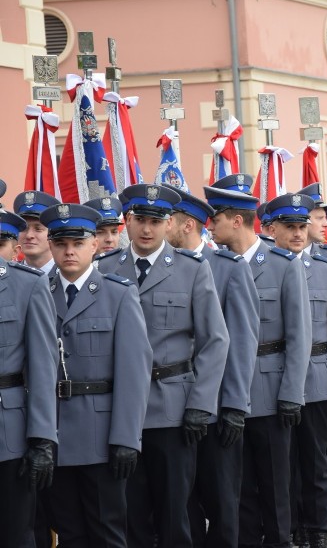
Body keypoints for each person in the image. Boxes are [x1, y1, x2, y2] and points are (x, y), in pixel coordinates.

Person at [95, 183, 229, 548]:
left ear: (169, 223)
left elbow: (215, 341)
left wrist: (201, 404)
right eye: (140, 219)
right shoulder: (105, 270)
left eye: (156, 220)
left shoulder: (192, 270)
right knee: (129, 513)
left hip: (172, 409)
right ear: (127, 221)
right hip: (120, 412)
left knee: (175, 514)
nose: (147, 228)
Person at [202, 175, 311, 548]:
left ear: (236, 219)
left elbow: (299, 334)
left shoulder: (282, 264)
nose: (209, 225)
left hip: (269, 390)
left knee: (275, 487)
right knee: (238, 488)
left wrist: (292, 392)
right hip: (225, 394)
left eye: (214, 217)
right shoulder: (211, 264)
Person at [41, 203, 153, 547]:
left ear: (94, 245)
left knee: (107, 532)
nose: (69, 251)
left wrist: (126, 438)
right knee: (70, 533)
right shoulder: (38, 292)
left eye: (77, 243)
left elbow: (134, 373)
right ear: (51, 246)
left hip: (102, 437)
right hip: (56, 435)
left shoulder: (118, 294)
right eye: (61, 243)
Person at [165, 188, 260, 548]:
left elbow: (240, 342)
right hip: (174, 406)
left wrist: (235, 404)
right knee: (180, 500)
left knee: (222, 501)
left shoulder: (227, 267)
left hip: (219, 407)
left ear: (185, 224)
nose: (160, 226)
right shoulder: (163, 267)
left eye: (167, 220)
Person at [266, 192, 327, 547]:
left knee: (317, 462)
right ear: (272, 229)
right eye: (289, 227)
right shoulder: (263, 268)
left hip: (318, 380)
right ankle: (290, 529)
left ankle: (320, 531)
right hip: (275, 381)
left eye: (302, 227)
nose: (297, 234)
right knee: (283, 466)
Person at [0, 205, 58, 548]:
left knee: (17, 534)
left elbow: (41, 367)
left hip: (10, 436)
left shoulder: (27, 285)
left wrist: (41, 439)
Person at [14, 191, 60, 275]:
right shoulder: (9, 276)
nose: (29, 235)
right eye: (24, 228)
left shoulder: (67, 275)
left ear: (53, 234)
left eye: (38, 229)